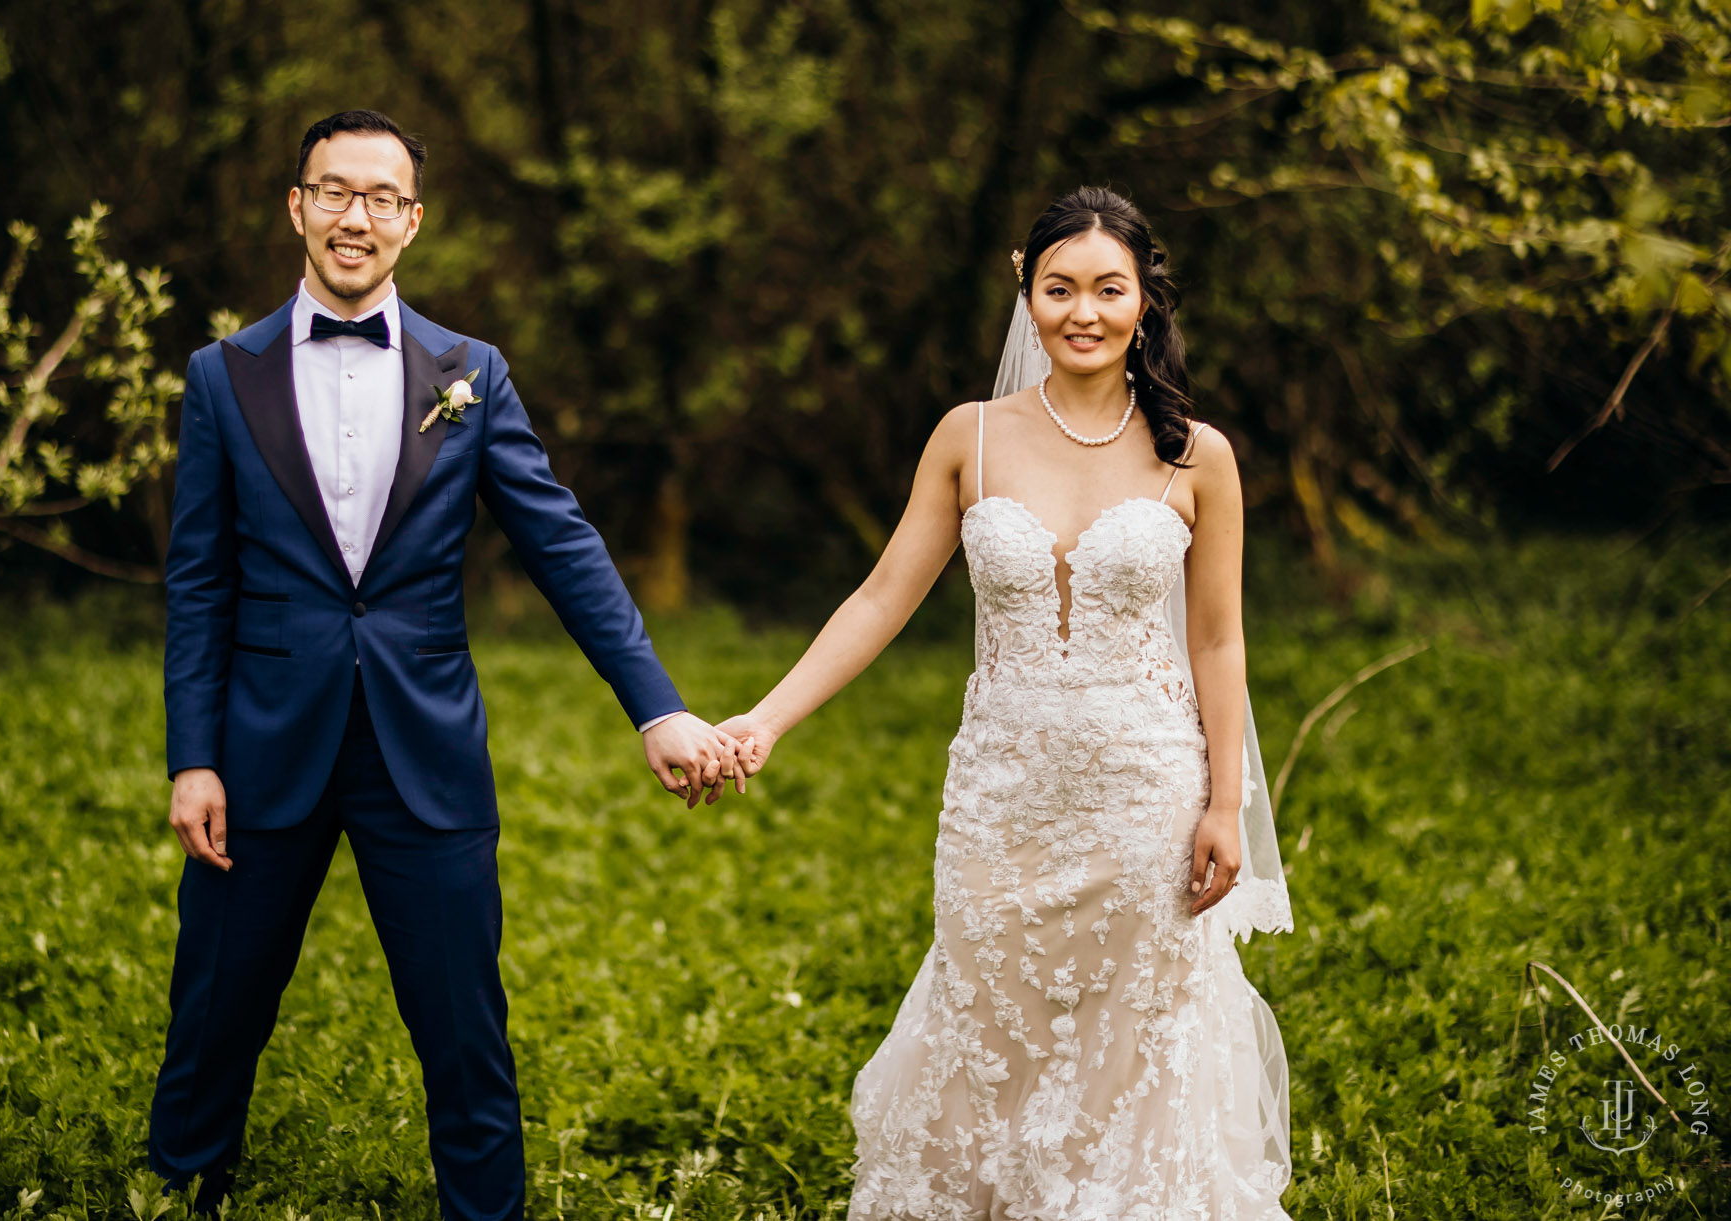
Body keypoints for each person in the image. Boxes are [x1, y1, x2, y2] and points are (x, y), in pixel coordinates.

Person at [151, 108, 738, 1218]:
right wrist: (194, 755)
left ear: (411, 223)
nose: (353, 217)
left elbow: (561, 545)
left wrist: (654, 708)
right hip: (259, 749)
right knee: (215, 1016)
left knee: (464, 1030)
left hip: (423, 752)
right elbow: (198, 583)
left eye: (379, 197)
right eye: (332, 191)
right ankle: (181, 1195)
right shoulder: (220, 378)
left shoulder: (471, 373)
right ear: (296, 206)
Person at [720, 186, 1295, 1218]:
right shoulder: (968, 437)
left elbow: (1215, 636)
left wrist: (1222, 803)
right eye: (1058, 287)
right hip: (999, 799)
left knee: (1132, 1046)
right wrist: (764, 719)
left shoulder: (1196, 455)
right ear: (1024, 297)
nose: (1082, 311)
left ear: (1143, 302)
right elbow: (880, 595)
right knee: (992, 1027)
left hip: (1142, 797)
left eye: (1106, 289)